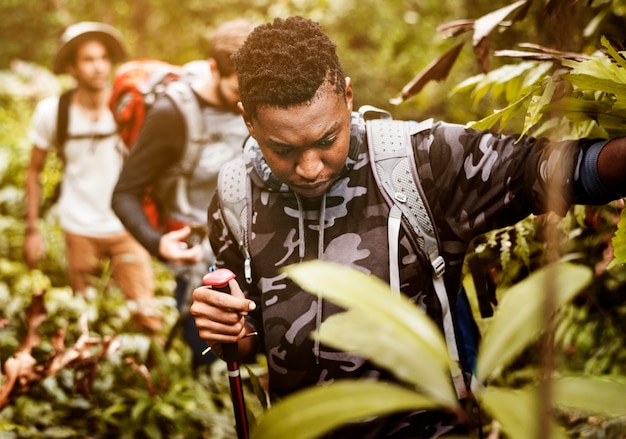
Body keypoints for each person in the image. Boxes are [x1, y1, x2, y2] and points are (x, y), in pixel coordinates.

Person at [188, 15, 626, 437]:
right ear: (248, 120)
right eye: (282, 148)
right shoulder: (235, 196)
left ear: (348, 95)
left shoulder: (420, 161)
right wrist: (227, 329)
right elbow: (251, 339)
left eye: (326, 140)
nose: (309, 168)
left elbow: (548, 168)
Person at [111, 19, 256, 369]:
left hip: (252, 245)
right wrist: (157, 242)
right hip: (200, 256)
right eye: (240, 89)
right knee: (210, 355)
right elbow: (124, 193)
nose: (247, 100)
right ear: (212, 69)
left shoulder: (256, 99)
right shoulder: (172, 113)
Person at [24, 21, 162, 333]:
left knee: (147, 316)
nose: (98, 67)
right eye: (88, 59)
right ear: (72, 67)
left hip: (127, 225)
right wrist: (33, 230)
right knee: (85, 318)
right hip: (78, 227)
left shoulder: (131, 106)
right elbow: (34, 171)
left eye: (103, 58)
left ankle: (151, 379)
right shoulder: (53, 113)